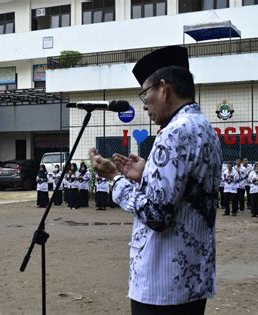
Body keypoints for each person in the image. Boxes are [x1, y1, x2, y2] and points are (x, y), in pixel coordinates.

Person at [89, 46, 222, 315]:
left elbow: (157, 215)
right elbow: (187, 192)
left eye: (144, 93)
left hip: (163, 280)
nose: (144, 103)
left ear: (163, 88)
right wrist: (147, 172)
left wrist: (115, 179)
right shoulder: (203, 126)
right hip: (194, 274)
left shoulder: (172, 132)